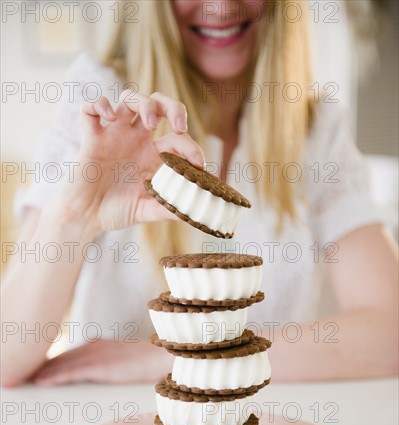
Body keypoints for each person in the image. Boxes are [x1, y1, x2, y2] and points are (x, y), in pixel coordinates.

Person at [2, 0, 398, 387]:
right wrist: (75, 218)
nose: (222, 6)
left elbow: (390, 333)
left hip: (259, 424)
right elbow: (6, 360)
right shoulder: (102, 105)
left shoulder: (318, 130)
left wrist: (169, 357)